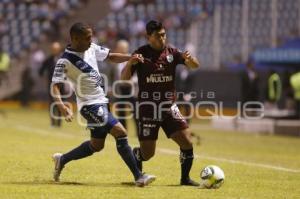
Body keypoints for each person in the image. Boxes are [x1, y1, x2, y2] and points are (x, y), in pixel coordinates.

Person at [51, 22, 155, 187]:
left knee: (96, 145)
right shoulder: (64, 61)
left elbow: (110, 56)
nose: (91, 40)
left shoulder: (91, 47)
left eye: (91, 37)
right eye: (87, 38)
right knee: (120, 132)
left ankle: (62, 159)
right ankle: (139, 176)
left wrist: (131, 57)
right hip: (89, 105)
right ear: (75, 39)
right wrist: (61, 105)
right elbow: (55, 85)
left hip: (102, 102)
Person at [121, 20, 200, 186]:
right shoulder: (140, 54)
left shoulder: (172, 52)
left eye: (164, 35)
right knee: (148, 154)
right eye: (158, 36)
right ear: (149, 37)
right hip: (148, 109)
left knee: (186, 141)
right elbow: (124, 78)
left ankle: (185, 179)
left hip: (169, 107)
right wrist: (129, 63)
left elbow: (195, 66)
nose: (162, 39)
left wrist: (190, 59)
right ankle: (137, 155)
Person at [39, 42, 63, 127]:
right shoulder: (48, 60)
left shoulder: (63, 59)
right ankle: (53, 122)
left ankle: (59, 123)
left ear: (59, 50)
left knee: (60, 103)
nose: (54, 51)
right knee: (52, 104)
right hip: (52, 85)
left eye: (56, 49)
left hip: (61, 85)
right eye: (53, 49)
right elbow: (41, 71)